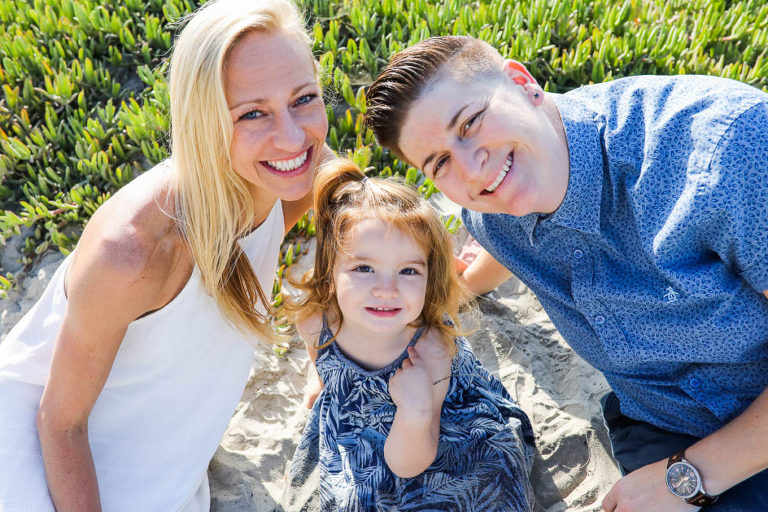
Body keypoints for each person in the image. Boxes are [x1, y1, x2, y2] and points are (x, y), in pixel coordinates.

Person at [364, 36, 768, 511]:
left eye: (471, 122)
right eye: (441, 162)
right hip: (659, 420)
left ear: (523, 83)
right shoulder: (492, 214)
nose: (472, 170)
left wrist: (689, 477)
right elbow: (497, 240)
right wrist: (452, 291)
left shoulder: (729, 151)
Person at [0, 0, 330, 510]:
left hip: (170, 460)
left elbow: (358, 233)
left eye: (303, 98)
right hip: (52, 469)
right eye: (252, 113)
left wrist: (324, 358)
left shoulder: (294, 169)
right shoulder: (135, 253)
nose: (291, 135)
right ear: (203, 121)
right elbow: (59, 423)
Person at [282, 160, 535, 511]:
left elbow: (409, 462)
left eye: (408, 271)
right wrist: (324, 377)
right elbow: (319, 354)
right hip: (358, 428)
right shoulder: (315, 321)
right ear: (329, 275)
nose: (387, 289)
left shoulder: (430, 348)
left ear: (429, 278)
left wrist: (415, 409)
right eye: (364, 268)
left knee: (485, 484)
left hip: (435, 432)